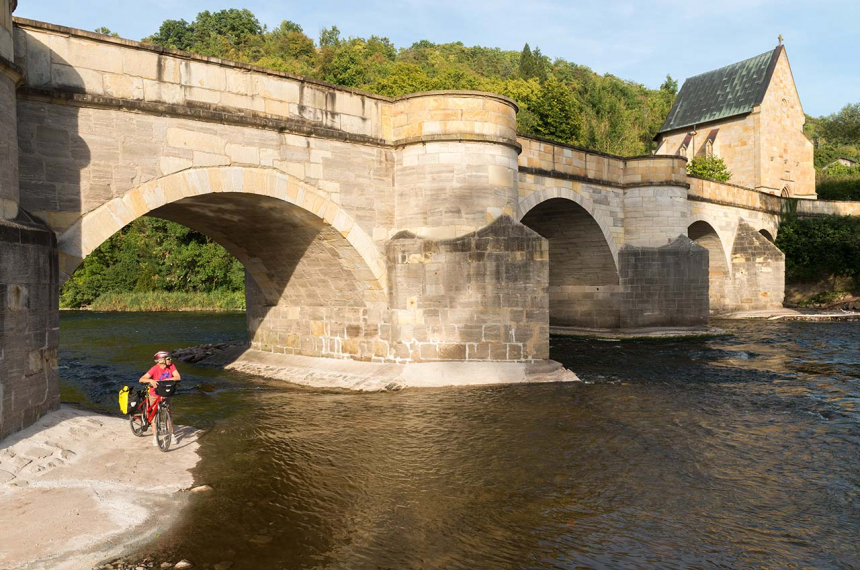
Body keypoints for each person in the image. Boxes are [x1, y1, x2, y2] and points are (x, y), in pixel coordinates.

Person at [139, 350, 180, 445]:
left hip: (166, 393)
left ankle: (171, 435)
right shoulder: (154, 369)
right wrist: (151, 381)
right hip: (155, 394)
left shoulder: (171, 366)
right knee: (154, 415)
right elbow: (141, 379)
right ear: (161, 360)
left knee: (168, 414)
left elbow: (178, 377)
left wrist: (168, 379)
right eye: (168, 358)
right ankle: (155, 437)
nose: (170, 360)